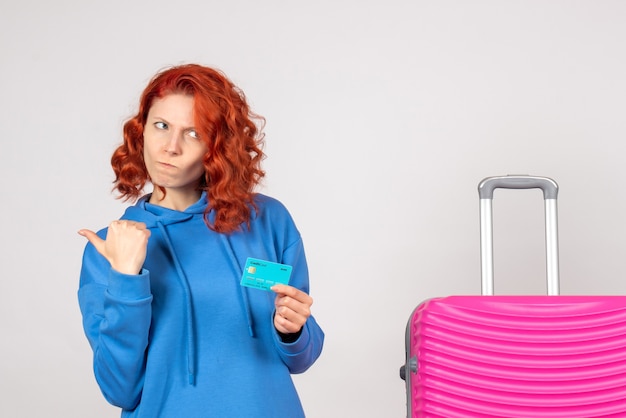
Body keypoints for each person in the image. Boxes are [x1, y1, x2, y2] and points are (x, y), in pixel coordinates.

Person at [77, 63, 324, 418]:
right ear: (141, 131)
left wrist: (292, 330)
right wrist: (127, 279)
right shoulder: (110, 248)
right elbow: (120, 389)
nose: (171, 147)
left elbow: (302, 355)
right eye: (161, 126)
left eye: (193, 133)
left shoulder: (266, 220)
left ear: (217, 146)